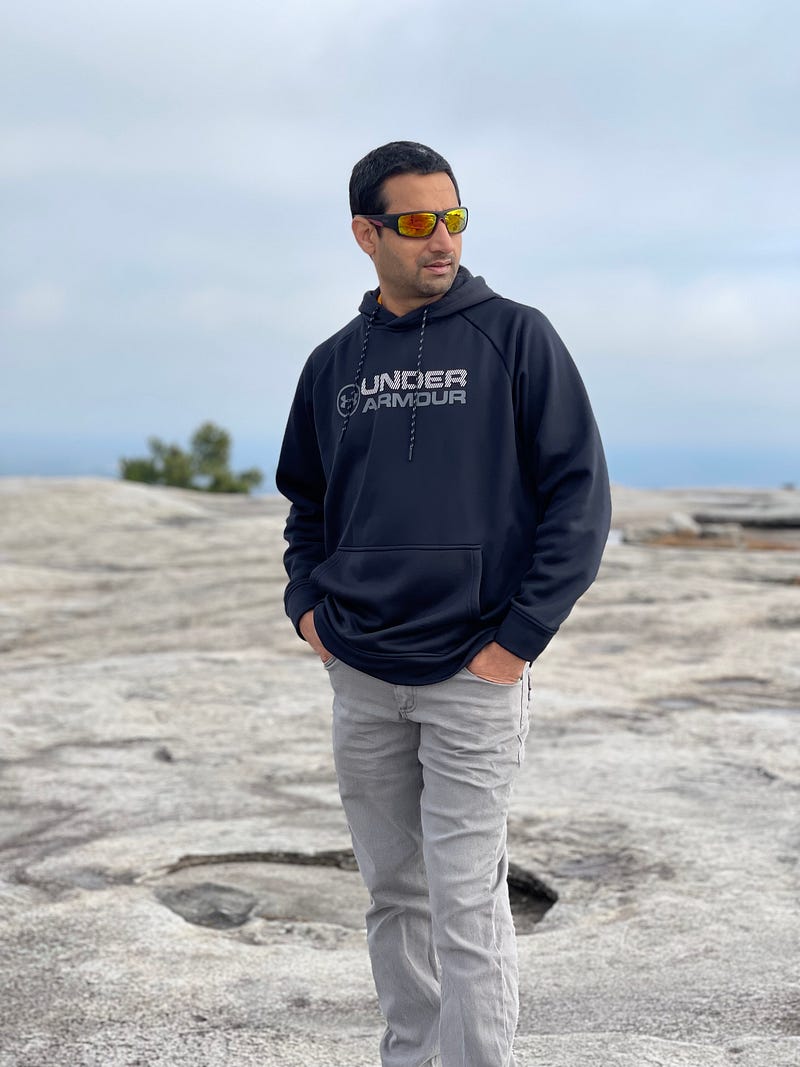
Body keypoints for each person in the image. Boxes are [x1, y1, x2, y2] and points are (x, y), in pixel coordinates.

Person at [276, 141, 611, 1067]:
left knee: (466, 899)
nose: (441, 242)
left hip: (474, 673)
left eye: (454, 219)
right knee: (394, 895)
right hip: (363, 673)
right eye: (417, 224)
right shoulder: (333, 364)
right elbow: (307, 501)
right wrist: (310, 610)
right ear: (365, 234)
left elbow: (580, 498)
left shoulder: (518, 336)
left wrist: (516, 643)